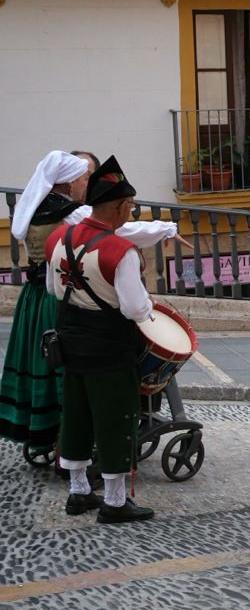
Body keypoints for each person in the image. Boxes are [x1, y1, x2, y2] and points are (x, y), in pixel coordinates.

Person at [2, 151, 178, 463]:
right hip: (58, 300)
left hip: (33, 296)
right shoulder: (70, 214)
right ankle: (68, 446)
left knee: (40, 365)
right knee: (65, 373)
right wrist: (165, 228)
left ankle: (45, 438)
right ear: (68, 182)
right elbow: (120, 232)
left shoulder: (33, 208)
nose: (87, 183)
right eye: (84, 178)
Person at [44, 157, 163, 523]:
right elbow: (134, 310)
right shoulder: (119, 251)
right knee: (115, 420)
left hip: (71, 342)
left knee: (76, 416)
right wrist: (147, 307)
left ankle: (79, 493)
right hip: (109, 349)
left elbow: (53, 288)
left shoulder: (57, 238)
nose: (131, 212)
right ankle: (114, 502)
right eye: (129, 207)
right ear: (118, 207)